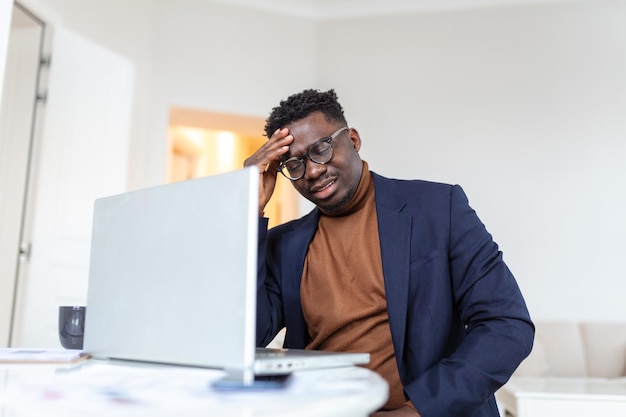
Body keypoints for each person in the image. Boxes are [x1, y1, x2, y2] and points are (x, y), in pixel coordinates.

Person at [244, 89, 534, 417]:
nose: (311, 171)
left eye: (321, 149)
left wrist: (419, 411)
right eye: (293, 164)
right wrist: (248, 213)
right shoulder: (285, 244)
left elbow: (506, 325)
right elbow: (249, 336)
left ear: (352, 140)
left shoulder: (439, 209)